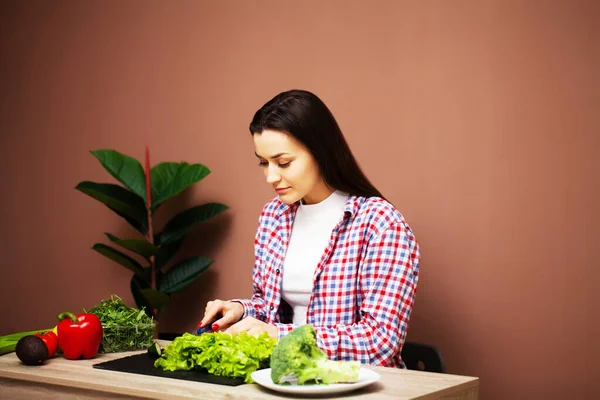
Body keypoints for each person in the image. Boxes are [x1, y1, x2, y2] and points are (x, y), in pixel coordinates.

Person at [199, 89, 420, 367]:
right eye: (263, 163)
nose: (271, 176)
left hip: (354, 387)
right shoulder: (273, 216)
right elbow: (270, 308)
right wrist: (241, 310)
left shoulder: (380, 225)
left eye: (283, 163)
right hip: (287, 380)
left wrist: (280, 336)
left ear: (320, 151)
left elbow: (380, 343)